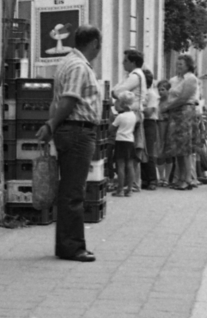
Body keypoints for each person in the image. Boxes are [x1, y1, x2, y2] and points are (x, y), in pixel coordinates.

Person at [35, 24, 102, 261]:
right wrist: (52, 125)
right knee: (73, 192)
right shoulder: (78, 66)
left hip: (71, 130)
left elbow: (58, 101)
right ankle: (72, 247)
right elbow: (68, 101)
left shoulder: (67, 62)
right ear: (94, 43)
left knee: (70, 191)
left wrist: (52, 125)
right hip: (77, 132)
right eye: (98, 46)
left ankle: (68, 244)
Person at [159, 54, 201, 189]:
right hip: (175, 113)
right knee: (177, 147)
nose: (178, 67)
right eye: (177, 64)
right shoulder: (175, 79)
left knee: (185, 148)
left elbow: (184, 97)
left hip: (185, 112)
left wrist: (167, 107)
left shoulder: (191, 78)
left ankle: (187, 179)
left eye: (181, 64)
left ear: (188, 65)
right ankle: (180, 177)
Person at [112, 96, 140, 197]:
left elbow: (112, 128)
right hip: (130, 141)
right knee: (130, 165)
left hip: (120, 141)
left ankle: (120, 190)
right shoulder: (133, 115)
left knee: (120, 166)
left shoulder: (120, 117)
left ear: (122, 104)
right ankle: (129, 190)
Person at [139, 68, 160, 190]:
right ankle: (144, 179)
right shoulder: (140, 93)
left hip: (149, 123)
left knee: (149, 152)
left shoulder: (151, 94)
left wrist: (138, 108)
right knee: (141, 150)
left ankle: (152, 179)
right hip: (141, 122)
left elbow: (149, 111)